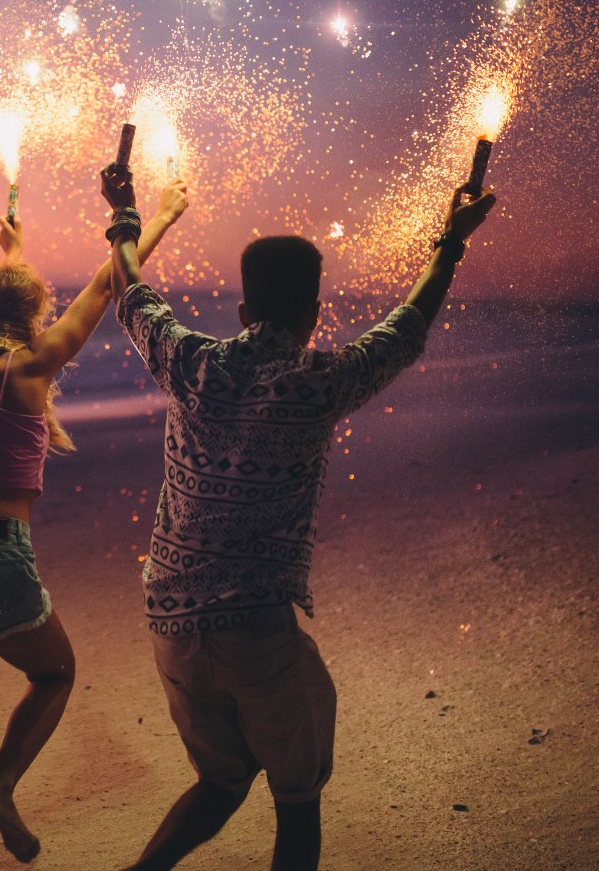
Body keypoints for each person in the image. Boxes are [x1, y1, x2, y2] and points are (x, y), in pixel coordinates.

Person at [104, 164, 496, 871]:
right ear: (315, 310)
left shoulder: (192, 363)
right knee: (297, 798)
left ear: (242, 307)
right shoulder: (320, 382)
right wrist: (450, 243)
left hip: (171, 621)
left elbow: (129, 291)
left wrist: (127, 214)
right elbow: (406, 331)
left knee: (221, 782)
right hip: (255, 627)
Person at [0, 182, 188, 871]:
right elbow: (107, 283)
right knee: (55, 673)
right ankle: (1, 786)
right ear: (30, 314)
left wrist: (13, 255)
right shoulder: (32, 366)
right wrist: (164, 217)